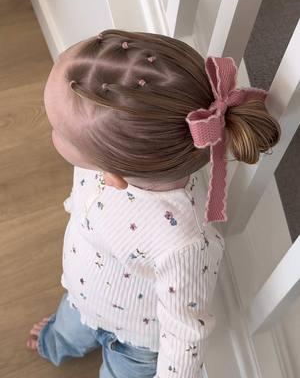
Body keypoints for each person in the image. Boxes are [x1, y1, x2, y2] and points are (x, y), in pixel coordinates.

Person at [26, 29, 281, 377]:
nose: (51, 130)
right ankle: (58, 342)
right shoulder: (105, 160)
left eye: (58, 130)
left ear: (111, 175)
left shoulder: (183, 244)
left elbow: (184, 334)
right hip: (81, 293)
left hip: (135, 345)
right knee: (67, 330)